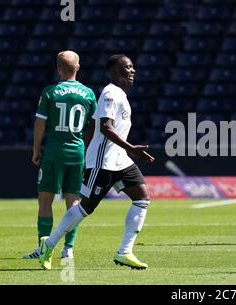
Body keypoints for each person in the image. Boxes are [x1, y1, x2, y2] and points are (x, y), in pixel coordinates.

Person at [38, 54, 155, 270]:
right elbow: (105, 127)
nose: (133, 71)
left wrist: (95, 150)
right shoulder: (111, 93)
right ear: (115, 71)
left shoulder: (118, 93)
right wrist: (131, 149)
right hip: (104, 162)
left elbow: (92, 126)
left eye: (132, 67)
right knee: (85, 208)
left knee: (142, 198)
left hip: (119, 160)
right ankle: (49, 244)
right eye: (128, 67)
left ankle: (125, 252)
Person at [23, 50, 97, 259]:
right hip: (78, 152)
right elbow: (93, 126)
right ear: (78, 67)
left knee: (45, 199)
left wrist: (36, 149)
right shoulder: (89, 94)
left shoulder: (50, 91)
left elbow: (40, 123)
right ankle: (68, 249)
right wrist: (87, 148)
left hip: (54, 152)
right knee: (74, 202)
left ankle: (43, 249)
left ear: (58, 68)